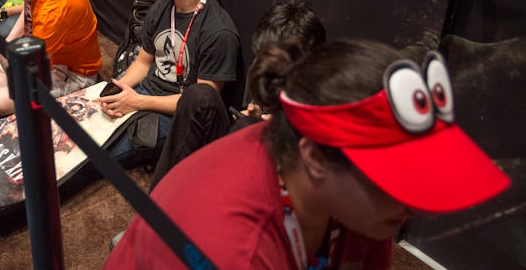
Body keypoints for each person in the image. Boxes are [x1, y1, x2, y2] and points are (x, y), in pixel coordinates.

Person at [104, 39, 511, 269]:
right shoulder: (234, 249)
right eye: (394, 179)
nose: (413, 201)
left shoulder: (353, 201)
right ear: (315, 158)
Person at [97, 0, 240, 167]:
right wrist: (119, 88)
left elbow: (200, 106)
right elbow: (143, 62)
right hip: (145, 93)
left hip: (177, 113)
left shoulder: (218, 31)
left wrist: (137, 103)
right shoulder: (161, 8)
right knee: (84, 126)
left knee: (95, 155)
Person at [148, 0, 326, 189]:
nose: (266, 63)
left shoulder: (323, 90)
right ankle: (158, 200)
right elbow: (256, 106)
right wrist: (256, 113)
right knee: (199, 95)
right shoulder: (262, 67)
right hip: (243, 150)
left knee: (246, 126)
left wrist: (277, 126)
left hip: (284, 169)